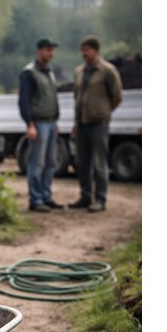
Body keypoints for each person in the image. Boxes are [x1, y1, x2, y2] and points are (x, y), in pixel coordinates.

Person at [69, 36, 123, 212]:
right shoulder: (79, 72)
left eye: (87, 50)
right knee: (82, 162)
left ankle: (100, 198)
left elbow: (116, 96)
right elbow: (77, 98)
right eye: (82, 50)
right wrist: (76, 122)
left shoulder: (107, 70)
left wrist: (103, 112)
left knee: (99, 162)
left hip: (98, 124)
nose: (84, 53)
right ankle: (85, 196)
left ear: (96, 51)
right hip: (82, 124)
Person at [18, 37, 63, 213]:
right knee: (37, 163)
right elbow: (24, 101)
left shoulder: (49, 72)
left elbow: (52, 98)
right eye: (47, 49)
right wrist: (30, 124)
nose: (51, 53)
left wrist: (56, 120)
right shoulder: (29, 73)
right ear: (39, 51)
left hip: (51, 123)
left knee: (50, 163)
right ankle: (35, 200)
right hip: (38, 124)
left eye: (52, 50)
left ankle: (46, 196)